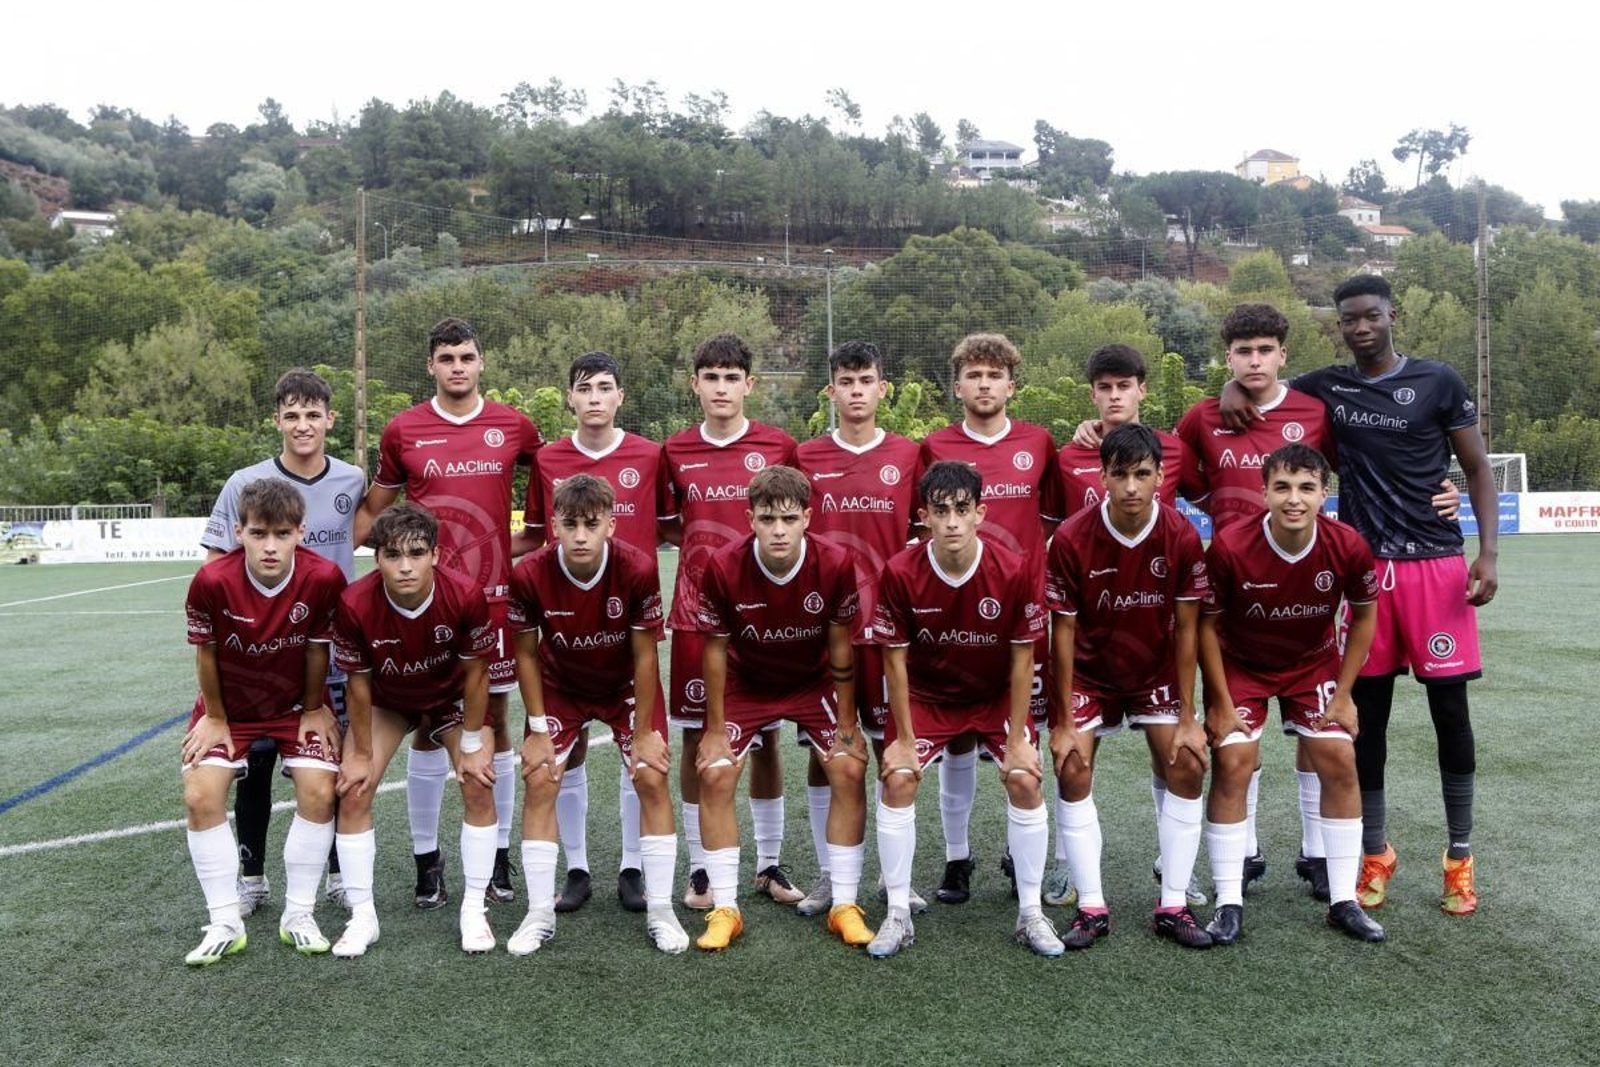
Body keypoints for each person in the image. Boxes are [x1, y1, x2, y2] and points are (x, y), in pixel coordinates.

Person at [1220, 274, 1497, 916]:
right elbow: (1267, 384)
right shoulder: (1329, 387)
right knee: (1363, 717)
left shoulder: (1438, 381)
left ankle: (1459, 857)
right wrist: (1232, 387)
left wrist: (1487, 551)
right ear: (1340, 325)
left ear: (1392, 316)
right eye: (1350, 319)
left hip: (1435, 565)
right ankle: (1375, 852)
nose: (1361, 326)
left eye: (1371, 315)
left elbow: (1478, 466)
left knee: (1450, 714)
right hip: (1365, 569)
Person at [355, 317, 543, 911]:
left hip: (493, 601)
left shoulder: (514, 425)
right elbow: (372, 515)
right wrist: (342, 559)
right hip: (422, 605)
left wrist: (514, 546)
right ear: (430, 366)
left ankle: (499, 852)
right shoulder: (403, 429)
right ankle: (427, 860)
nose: (457, 367)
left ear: (481, 363)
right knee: (427, 728)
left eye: (466, 357)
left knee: (497, 723)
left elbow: (549, 488)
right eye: (446, 358)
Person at [867, 460, 1057, 959]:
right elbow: (894, 660)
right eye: (940, 511)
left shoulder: (1012, 569)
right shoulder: (900, 571)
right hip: (928, 697)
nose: (951, 521)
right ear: (924, 516)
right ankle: (897, 915)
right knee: (898, 778)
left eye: (961, 509)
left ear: (980, 513)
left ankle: (1031, 914)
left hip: (993, 695)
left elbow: (1023, 657)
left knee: (1025, 778)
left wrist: (1017, 740)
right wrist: (903, 740)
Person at [1198, 444, 1386, 944]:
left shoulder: (1347, 545)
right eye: (1282, 487)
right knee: (1233, 761)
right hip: (1242, 666)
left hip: (1312, 664)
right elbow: (1204, 626)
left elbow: (1364, 615)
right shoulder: (1230, 546)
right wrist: (1218, 701)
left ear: (1324, 493)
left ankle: (1343, 901)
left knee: (1339, 758)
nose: (1294, 499)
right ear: (1264, 493)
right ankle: (1228, 903)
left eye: (1306, 488)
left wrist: (1344, 694)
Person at [201, 368, 365, 916]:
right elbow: (216, 570)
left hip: (330, 656)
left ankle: (338, 873)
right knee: (257, 768)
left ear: (330, 420)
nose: (302, 425)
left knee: (330, 768)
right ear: (276, 420)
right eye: (291, 415)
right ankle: (252, 877)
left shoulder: (352, 480)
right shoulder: (243, 483)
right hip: (260, 659)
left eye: (312, 414)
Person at [505, 475, 688, 955]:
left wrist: (644, 731)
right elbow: (525, 654)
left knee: (651, 775)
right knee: (541, 777)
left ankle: (661, 910)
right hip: (560, 685)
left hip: (623, 684)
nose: (581, 535)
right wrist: (537, 730)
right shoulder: (529, 574)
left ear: (611, 523)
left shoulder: (637, 567)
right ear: (554, 527)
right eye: (570, 525)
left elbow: (646, 654)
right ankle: (538, 913)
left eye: (591, 524)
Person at [1046, 424, 1213, 951]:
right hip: (1089, 674)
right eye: (1120, 475)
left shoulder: (1181, 535)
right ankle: (1092, 907)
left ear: (1161, 476)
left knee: (1187, 762)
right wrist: (1063, 721)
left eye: (1143, 474)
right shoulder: (1071, 537)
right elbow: (1061, 632)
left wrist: (1188, 716)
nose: (1132, 487)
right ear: (1103, 478)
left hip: (1153, 673)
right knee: (1072, 766)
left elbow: (1188, 629)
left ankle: (1174, 903)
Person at [688, 465, 869, 951]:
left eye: (789, 519)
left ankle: (844, 905)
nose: (779, 530)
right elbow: (715, 651)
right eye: (767, 519)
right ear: (750, 520)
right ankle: (726, 909)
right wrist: (714, 729)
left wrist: (847, 723)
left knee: (849, 767)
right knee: (715, 772)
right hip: (748, 682)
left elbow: (841, 646)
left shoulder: (835, 562)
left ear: (808, 517)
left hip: (812, 680)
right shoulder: (723, 565)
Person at [523, 351, 676, 914]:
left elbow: (670, 528)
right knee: (568, 756)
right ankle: (578, 868)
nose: (594, 398)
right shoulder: (547, 459)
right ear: (570, 397)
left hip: (626, 626)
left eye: (604, 388)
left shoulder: (651, 454)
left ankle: (633, 867)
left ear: (620, 397)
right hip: (567, 630)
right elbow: (535, 536)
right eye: (583, 388)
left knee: (644, 761)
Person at [915, 333, 1061, 906]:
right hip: (954, 617)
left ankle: (1019, 853)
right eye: (973, 375)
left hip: (1021, 617)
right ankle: (957, 858)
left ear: (1011, 385)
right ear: (957, 386)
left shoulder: (1038, 443)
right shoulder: (935, 446)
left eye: (994, 375)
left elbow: (1053, 521)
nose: (984, 384)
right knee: (955, 739)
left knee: (1023, 736)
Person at [179, 479, 346, 965]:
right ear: (239, 533)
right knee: (199, 795)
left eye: (281, 534)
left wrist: (313, 708)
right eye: (258, 534)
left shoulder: (323, 578)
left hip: (295, 707)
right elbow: (206, 653)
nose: (270, 546)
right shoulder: (212, 581)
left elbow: (317, 650)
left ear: (301, 533)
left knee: (319, 791)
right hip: (229, 711)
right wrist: (215, 717)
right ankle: (225, 922)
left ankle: (299, 915)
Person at [662, 333, 799, 908]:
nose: (721, 388)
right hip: (697, 616)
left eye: (731, 377)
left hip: (763, 616)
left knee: (766, 738)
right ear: (695, 384)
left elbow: (793, 519)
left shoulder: (779, 445)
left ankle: (768, 864)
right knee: (696, 735)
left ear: (749, 384)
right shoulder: (673, 450)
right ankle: (700, 869)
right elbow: (669, 525)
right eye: (711, 377)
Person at [325, 503, 498, 956]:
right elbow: (358, 684)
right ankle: (363, 917)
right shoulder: (354, 603)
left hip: (449, 699)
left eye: (416, 553)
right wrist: (360, 753)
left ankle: (473, 910)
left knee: (478, 780)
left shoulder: (465, 594)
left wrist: (473, 743)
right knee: (355, 788)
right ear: (376, 558)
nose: (405, 566)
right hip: (389, 701)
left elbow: (477, 674)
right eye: (392, 555)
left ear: (435, 555)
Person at [792, 341, 924, 917]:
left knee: (893, 749)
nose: (856, 391)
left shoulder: (909, 455)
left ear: (882, 388)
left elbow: (922, 538)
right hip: (826, 632)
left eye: (865, 380)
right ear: (831, 391)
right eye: (845, 382)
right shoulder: (806, 456)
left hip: (891, 632)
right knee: (826, 753)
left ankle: (898, 879)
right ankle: (830, 874)